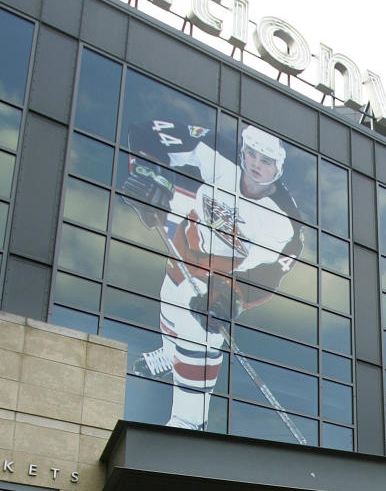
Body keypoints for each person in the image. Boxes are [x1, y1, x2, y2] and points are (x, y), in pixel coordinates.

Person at [122, 120, 307, 430]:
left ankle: (188, 420)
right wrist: (148, 173)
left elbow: (270, 275)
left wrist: (232, 299)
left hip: (221, 275)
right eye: (251, 155)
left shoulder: (286, 221)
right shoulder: (215, 148)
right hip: (189, 242)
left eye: (266, 160)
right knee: (170, 299)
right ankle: (171, 353)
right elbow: (144, 133)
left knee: (201, 329)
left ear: (279, 167)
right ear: (243, 151)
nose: (256, 164)